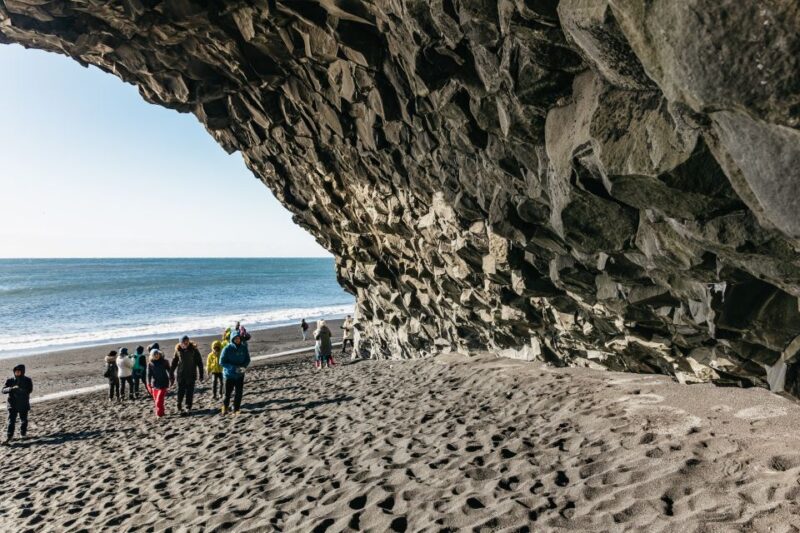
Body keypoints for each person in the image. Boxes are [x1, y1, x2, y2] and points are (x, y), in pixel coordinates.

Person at [219, 329, 250, 415]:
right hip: (229, 375)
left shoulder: (243, 348)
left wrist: (244, 366)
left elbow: (248, 359)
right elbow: (221, 362)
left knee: (239, 393)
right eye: (235, 338)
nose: (237, 340)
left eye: (238, 338)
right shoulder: (227, 349)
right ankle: (225, 407)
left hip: (240, 374)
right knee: (227, 393)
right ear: (232, 339)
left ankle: (236, 409)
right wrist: (232, 367)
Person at [171, 335, 204, 414]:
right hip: (181, 375)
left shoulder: (194, 350)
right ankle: (179, 405)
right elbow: (174, 363)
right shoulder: (178, 350)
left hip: (191, 375)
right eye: (183, 342)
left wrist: (201, 374)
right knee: (180, 391)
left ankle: (188, 407)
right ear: (180, 343)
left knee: (190, 392)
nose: (185, 343)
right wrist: (171, 372)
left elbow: (199, 363)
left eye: (187, 341)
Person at [3, 365, 33, 445]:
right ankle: (10, 436)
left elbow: (29, 390)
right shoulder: (10, 380)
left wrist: (19, 390)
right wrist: (11, 389)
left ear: (22, 371)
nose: (17, 372)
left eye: (19, 371)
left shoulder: (27, 380)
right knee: (11, 421)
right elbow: (3, 390)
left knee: (24, 420)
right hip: (12, 404)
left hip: (23, 404)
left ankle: (23, 434)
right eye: (16, 371)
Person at [145, 349, 173, 418]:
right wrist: (148, 385)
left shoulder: (164, 362)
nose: (156, 355)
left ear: (159, 354)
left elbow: (170, 371)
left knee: (158, 400)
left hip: (164, 383)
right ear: (151, 356)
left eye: (157, 354)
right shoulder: (150, 364)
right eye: (154, 354)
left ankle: (159, 414)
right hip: (155, 384)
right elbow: (148, 375)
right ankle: (162, 412)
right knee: (156, 401)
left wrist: (172, 379)